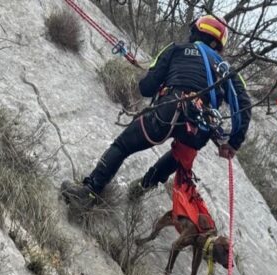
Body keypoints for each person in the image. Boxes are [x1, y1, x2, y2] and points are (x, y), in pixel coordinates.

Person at [61, 15, 252, 207]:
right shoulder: (228, 70)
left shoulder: (176, 49)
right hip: (199, 127)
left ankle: (89, 192)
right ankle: (142, 187)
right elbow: (244, 106)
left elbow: (146, 88)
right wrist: (233, 144)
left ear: (195, 32)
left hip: (169, 111)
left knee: (122, 146)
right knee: (179, 155)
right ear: (218, 45)